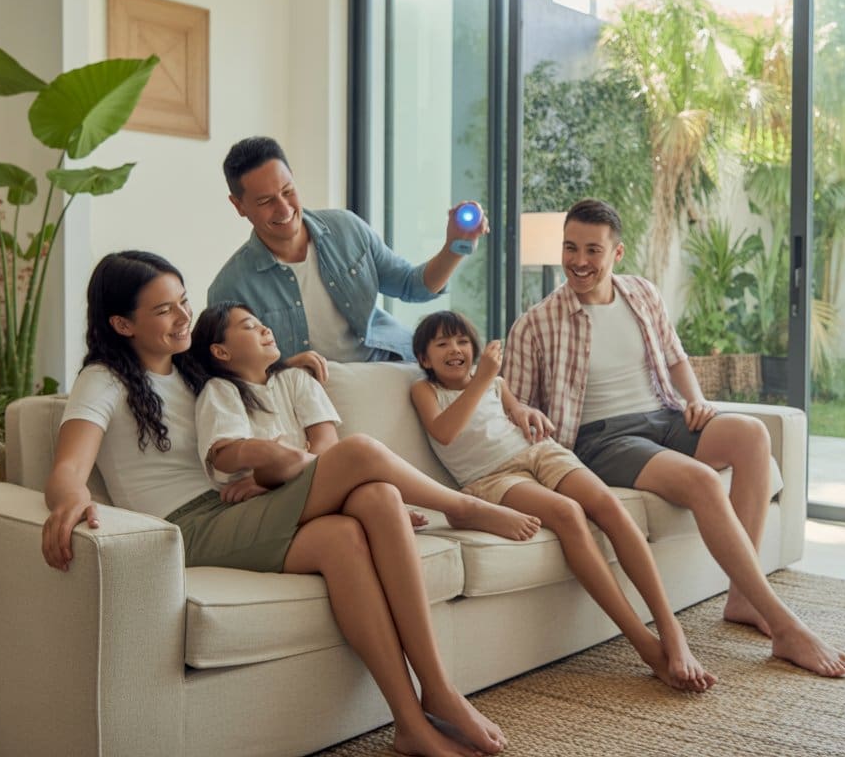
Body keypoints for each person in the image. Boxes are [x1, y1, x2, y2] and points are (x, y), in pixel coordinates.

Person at [40, 251, 508, 757]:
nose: (182, 318)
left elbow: (249, 404)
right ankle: (460, 510)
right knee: (360, 454)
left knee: (367, 510)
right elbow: (69, 467)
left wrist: (291, 366)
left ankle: (414, 718)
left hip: (233, 511)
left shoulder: (193, 372)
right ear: (121, 323)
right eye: (163, 311)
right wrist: (68, 503)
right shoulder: (104, 379)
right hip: (185, 528)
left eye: (183, 302)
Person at [503, 199, 845, 678]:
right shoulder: (536, 323)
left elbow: (675, 358)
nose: (579, 261)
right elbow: (512, 401)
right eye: (570, 247)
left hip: (664, 415)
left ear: (617, 253)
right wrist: (522, 411)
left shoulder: (642, 294)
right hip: (601, 440)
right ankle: (784, 625)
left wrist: (696, 400)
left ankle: (742, 598)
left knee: (751, 436)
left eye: (592, 249)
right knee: (702, 481)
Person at [408, 311, 714, 692]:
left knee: (607, 505)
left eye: (461, 341)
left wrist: (523, 410)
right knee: (569, 513)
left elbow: (511, 411)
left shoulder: (495, 383)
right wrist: (484, 377)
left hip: (539, 452)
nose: (455, 349)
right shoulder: (426, 390)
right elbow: (445, 432)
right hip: (492, 477)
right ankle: (646, 647)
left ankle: (671, 631)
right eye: (442, 344)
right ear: (424, 359)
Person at [188, 300, 541, 543]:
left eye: (263, 322)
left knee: (379, 494)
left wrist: (282, 468)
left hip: (304, 482)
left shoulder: (295, 380)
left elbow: (325, 445)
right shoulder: (220, 391)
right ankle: (461, 505)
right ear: (220, 351)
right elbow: (224, 455)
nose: (266, 329)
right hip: (269, 504)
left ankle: (393, 511)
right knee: (360, 451)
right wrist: (270, 465)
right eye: (250, 326)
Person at [209, 136, 488, 364]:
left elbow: (411, 286)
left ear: (293, 178)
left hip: (387, 364)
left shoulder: (346, 228)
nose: (284, 208)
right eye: (266, 201)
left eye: (287, 191)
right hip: (313, 394)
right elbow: (234, 370)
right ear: (239, 206)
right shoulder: (231, 288)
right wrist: (285, 368)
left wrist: (454, 247)